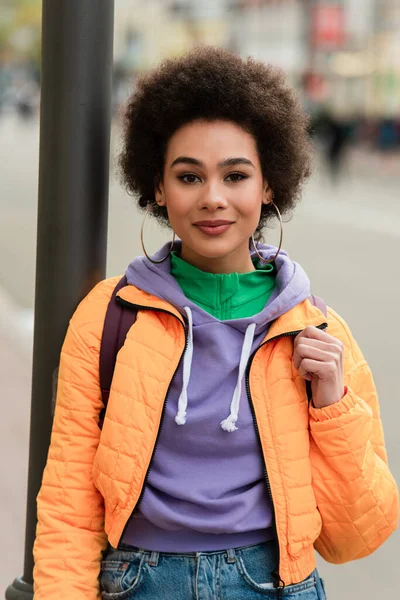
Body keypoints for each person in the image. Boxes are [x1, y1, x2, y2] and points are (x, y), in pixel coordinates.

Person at [33, 47, 398, 600]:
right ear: (157, 187)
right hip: (137, 584)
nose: (213, 199)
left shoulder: (318, 330)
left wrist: (332, 404)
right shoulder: (110, 316)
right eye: (188, 176)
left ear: (267, 186)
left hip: (274, 585)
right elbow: (69, 503)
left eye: (235, 175)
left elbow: (357, 536)